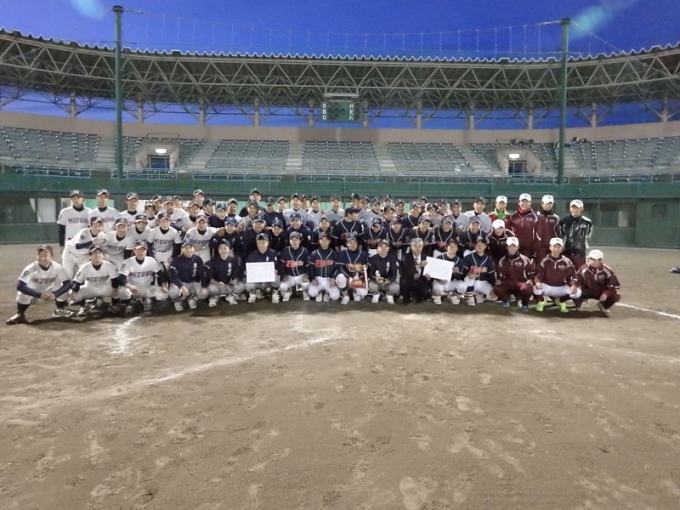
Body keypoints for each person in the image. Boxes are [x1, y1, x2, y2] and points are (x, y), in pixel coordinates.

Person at [7, 245, 73, 324]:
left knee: (64, 287)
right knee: (22, 294)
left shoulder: (58, 267)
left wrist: (55, 294)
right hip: (33, 295)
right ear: (37, 256)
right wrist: (39, 295)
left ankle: (60, 310)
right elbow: (20, 286)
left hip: (49, 295)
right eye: (40, 255)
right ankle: (20, 315)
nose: (43, 258)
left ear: (52, 257)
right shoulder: (30, 268)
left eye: (46, 255)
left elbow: (68, 283)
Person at [116, 240, 168, 314]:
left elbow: (160, 274)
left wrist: (164, 286)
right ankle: (130, 303)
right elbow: (121, 278)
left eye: (143, 250)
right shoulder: (128, 262)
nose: (141, 252)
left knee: (164, 293)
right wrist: (130, 286)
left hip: (146, 288)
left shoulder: (151, 260)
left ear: (146, 250)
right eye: (138, 250)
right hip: (133, 289)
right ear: (134, 250)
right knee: (122, 291)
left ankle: (146, 300)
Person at [533, 238, 580, 313]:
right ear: (550, 247)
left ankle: (561, 301)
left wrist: (573, 284)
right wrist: (538, 282)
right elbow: (538, 274)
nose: (556, 249)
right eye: (554, 246)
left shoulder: (567, 261)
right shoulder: (544, 260)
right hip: (547, 287)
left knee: (577, 293)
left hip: (561, 287)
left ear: (562, 248)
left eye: (558, 247)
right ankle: (542, 301)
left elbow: (572, 275)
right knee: (535, 288)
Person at [71, 245, 119, 317]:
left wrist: (115, 289)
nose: (97, 255)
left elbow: (114, 280)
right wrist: (74, 292)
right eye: (95, 253)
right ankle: (84, 306)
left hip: (105, 288)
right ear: (90, 256)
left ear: (103, 256)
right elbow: (77, 282)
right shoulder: (85, 267)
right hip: (90, 289)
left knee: (122, 290)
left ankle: (114, 305)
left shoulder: (109, 265)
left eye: (100, 253)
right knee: (71, 293)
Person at [572, 249, 621, 314]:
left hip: (600, 292)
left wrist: (606, 293)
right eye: (591, 259)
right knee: (572, 291)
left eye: (594, 260)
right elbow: (576, 278)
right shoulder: (583, 268)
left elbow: (615, 285)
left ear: (600, 260)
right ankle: (580, 302)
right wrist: (574, 285)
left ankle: (603, 305)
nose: (592, 261)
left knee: (616, 295)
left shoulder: (607, 270)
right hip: (586, 291)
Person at [494, 237, 535, 311]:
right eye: (510, 246)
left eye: (514, 246)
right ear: (506, 247)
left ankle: (524, 304)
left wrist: (530, 279)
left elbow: (531, 272)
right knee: (497, 288)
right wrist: (499, 279)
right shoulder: (502, 260)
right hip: (508, 283)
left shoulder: (525, 260)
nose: (512, 248)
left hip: (521, 283)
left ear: (518, 247)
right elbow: (499, 273)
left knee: (528, 288)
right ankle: (506, 300)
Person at [168, 240, 209, 311]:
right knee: (173, 292)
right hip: (181, 283)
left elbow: (202, 274)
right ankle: (177, 302)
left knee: (204, 293)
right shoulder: (176, 260)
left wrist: (204, 287)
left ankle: (192, 299)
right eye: (186, 248)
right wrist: (182, 286)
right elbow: (173, 276)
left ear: (193, 249)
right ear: (182, 249)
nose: (188, 250)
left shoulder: (198, 259)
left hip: (193, 282)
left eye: (190, 248)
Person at [244, 233, 281, 303]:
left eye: (263, 242)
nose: (261, 245)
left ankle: (275, 292)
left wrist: (275, 270)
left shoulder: (272, 253)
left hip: (269, 280)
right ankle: (254, 292)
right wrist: (247, 272)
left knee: (276, 277)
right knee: (248, 285)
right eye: (259, 243)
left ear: (267, 243)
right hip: (257, 280)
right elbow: (247, 270)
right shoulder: (252, 255)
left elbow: (277, 267)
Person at [206, 239, 244, 307]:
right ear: (218, 249)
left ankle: (230, 296)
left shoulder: (234, 261)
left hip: (229, 286)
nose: (223, 250)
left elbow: (237, 274)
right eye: (221, 248)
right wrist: (217, 283)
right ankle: (215, 297)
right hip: (217, 286)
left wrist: (235, 280)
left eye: (225, 248)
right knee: (211, 288)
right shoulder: (212, 261)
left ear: (229, 249)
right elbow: (210, 277)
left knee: (241, 285)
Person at [557, 199, 593, 269]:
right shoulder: (563, 222)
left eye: (577, 208)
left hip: (580, 252)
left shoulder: (588, 222)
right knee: (567, 270)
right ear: (570, 208)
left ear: (581, 209)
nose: (575, 210)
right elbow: (561, 235)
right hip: (566, 252)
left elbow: (588, 236)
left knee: (580, 271)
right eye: (573, 208)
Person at [336, 234, 369, 304]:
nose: (353, 245)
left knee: (363, 293)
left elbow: (366, 269)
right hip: (347, 279)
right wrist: (349, 277)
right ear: (346, 243)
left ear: (357, 243)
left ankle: (354, 292)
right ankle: (345, 295)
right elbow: (340, 267)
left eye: (354, 243)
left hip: (358, 278)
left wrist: (363, 279)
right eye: (350, 243)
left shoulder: (363, 254)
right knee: (340, 277)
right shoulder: (343, 253)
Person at [462, 237, 496, 306]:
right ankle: (470, 298)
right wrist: (469, 274)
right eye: (478, 244)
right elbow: (463, 272)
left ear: (485, 246)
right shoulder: (468, 257)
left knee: (494, 297)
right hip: (471, 282)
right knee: (468, 278)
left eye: (482, 244)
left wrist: (493, 288)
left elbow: (491, 276)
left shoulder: (489, 260)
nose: (480, 246)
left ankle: (479, 294)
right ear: (474, 245)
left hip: (482, 282)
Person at [307, 232, 340, 302]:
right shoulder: (314, 253)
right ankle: (319, 292)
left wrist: (333, 278)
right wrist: (313, 279)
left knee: (335, 296)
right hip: (318, 279)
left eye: (326, 240)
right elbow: (311, 268)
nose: (324, 242)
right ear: (319, 241)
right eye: (322, 239)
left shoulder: (334, 254)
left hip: (329, 279)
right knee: (311, 293)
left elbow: (337, 268)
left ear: (329, 241)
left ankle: (326, 292)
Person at [278, 232, 311, 302]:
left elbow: (308, 266)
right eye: (292, 240)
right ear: (289, 241)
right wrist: (283, 275)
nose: (294, 242)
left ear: (300, 241)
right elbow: (281, 265)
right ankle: (289, 290)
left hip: (301, 275)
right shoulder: (285, 250)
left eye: (296, 240)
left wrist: (306, 275)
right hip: (289, 276)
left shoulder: (304, 251)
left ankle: (305, 291)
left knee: (306, 284)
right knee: (282, 287)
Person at [431, 239, 466, 305]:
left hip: (451, 282)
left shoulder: (460, 261)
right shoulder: (439, 258)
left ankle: (453, 295)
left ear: (457, 248)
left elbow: (461, 278)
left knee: (463, 286)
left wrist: (458, 273)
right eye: (450, 246)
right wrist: (439, 279)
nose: (452, 248)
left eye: (454, 246)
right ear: (446, 248)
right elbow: (433, 273)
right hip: (440, 282)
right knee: (438, 288)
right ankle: (437, 295)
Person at [505, 193, 540, 259]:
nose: (524, 204)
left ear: (530, 203)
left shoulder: (535, 217)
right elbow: (508, 232)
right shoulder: (513, 216)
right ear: (519, 202)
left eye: (527, 202)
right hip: (515, 246)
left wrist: (535, 249)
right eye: (522, 201)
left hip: (528, 248)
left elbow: (537, 234)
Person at [57, 189, 91, 255]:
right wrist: (61, 245)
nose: (76, 200)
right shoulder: (65, 212)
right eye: (74, 198)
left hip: (84, 242)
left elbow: (91, 229)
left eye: (78, 198)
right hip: (70, 241)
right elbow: (61, 229)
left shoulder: (89, 212)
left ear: (83, 199)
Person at [399, 238, 431, 304]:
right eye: (415, 246)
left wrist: (429, 277)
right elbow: (404, 272)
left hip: (421, 280)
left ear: (422, 247)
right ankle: (407, 297)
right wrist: (419, 266)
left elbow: (429, 273)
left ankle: (418, 295)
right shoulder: (405, 257)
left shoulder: (426, 258)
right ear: (411, 247)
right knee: (404, 281)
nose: (417, 248)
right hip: (409, 279)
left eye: (420, 246)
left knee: (425, 293)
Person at [367, 239, 400, 304]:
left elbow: (394, 274)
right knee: (370, 286)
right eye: (381, 247)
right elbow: (370, 274)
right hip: (377, 282)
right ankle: (376, 293)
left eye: (385, 247)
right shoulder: (372, 259)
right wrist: (376, 279)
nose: (383, 249)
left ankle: (389, 294)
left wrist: (389, 280)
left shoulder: (392, 259)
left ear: (388, 249)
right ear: (377, 249)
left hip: (388, 282)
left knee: (396, 287)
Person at [536, 195, 560, 262]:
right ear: (542, 204)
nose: (548, 205)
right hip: (540, 248)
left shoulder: (556, 218)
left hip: (552, 247)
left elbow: (558, 233)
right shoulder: (536, 216)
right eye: (546, 203)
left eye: (550, 203)